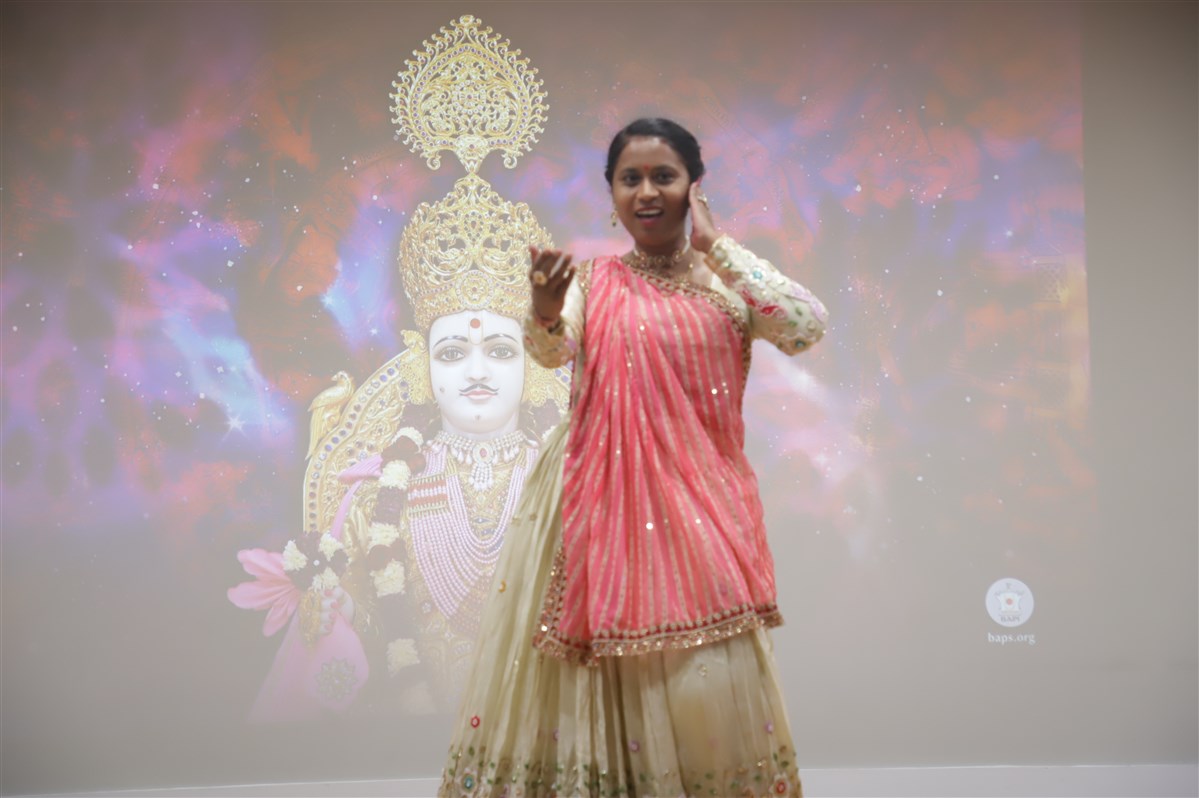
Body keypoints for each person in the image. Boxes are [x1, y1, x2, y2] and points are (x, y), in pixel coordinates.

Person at [438, 117, 827, 798]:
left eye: (663, 176)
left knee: (706, 692)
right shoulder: (593, 282)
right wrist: (544, 309)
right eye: (630, 179)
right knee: (591, 688)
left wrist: (716, 246)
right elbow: (551, 352)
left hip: (699, 507)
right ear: (612, 193)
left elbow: (803, 327)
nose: (646, 192)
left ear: (693, 187)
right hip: (597, 506)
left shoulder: (726, 284)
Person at [229, 172, 568, 720]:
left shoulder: (578, 487)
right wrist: (336, 605)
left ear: (531, 359)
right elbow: (368, 636)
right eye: (453, 353)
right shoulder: (377, 493)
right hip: (414, 736)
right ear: (422, 366)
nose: (477, 371)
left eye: (501, 351)